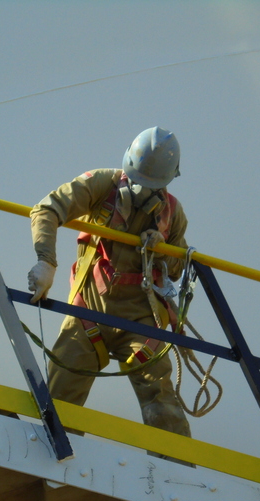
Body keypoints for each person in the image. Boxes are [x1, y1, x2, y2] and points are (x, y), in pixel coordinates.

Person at [26, 127, 192, 438]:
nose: (141, 190)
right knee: (61, 398)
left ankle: (176, 464)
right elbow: (47, 209)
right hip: (89, 311)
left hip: (140, 319)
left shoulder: (172, 212)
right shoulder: (102, 184)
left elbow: (177, 268)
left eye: (151, 185)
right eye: (138, 181)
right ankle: (52, 455)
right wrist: (46, 261)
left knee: (161, 400)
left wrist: (161, 250)